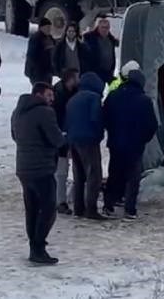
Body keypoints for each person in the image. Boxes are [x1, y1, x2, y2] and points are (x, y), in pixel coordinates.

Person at [11, 82, 67, 265]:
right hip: (41, 167)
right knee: (49, 209)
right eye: (49, 95)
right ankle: (39, 248)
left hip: (24, 167)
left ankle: (34, 248)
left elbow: (14, 135)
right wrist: (65, 138)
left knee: (32, 209)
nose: (52, 99)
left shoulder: (18, 111)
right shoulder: (45, 112)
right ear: (39, 94)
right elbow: (56, 139)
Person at [102, 69, 158, 219]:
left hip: (115, 143)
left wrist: (113, 133)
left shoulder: (113, 96)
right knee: (133, 177)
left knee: (114, 173)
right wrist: (142, 139)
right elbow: (152, 125)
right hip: (135, 146)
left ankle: (108, 205)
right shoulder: (144, 100)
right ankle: (129, 209)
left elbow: (104, 116)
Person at [65, 72, 107, 220]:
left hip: (73, 141)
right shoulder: (93, 98)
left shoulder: (72, 99)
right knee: (93, 175)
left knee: (79, 175)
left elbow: (67, 122)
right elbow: (97, 118)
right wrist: (99, 135)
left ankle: (78, 208)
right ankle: (91, 209)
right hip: (89, 140)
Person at [52, 68, 80, 215]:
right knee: (61, 170)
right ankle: (60, 201)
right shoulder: (59, 96)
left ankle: (59, 199)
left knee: (61, 169)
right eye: (76, 77)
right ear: (70, 80)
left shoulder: (61, 92)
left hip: (65, 135)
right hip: (61, 137)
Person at [83, 17, 119, 85]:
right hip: (95, 72)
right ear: (98, 27)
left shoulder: (110, 39)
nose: (104, 30)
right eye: (103, 27)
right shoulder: (90, 38)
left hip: (108, 72)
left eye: (106, 28)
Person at [24, 18, 56, 85]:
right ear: (41, 27)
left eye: (50, 27)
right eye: (47, 27)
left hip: (48, 71)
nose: (49, 29)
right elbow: (31, 56)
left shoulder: (50, 38)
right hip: (37, 72)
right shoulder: (36, 38)